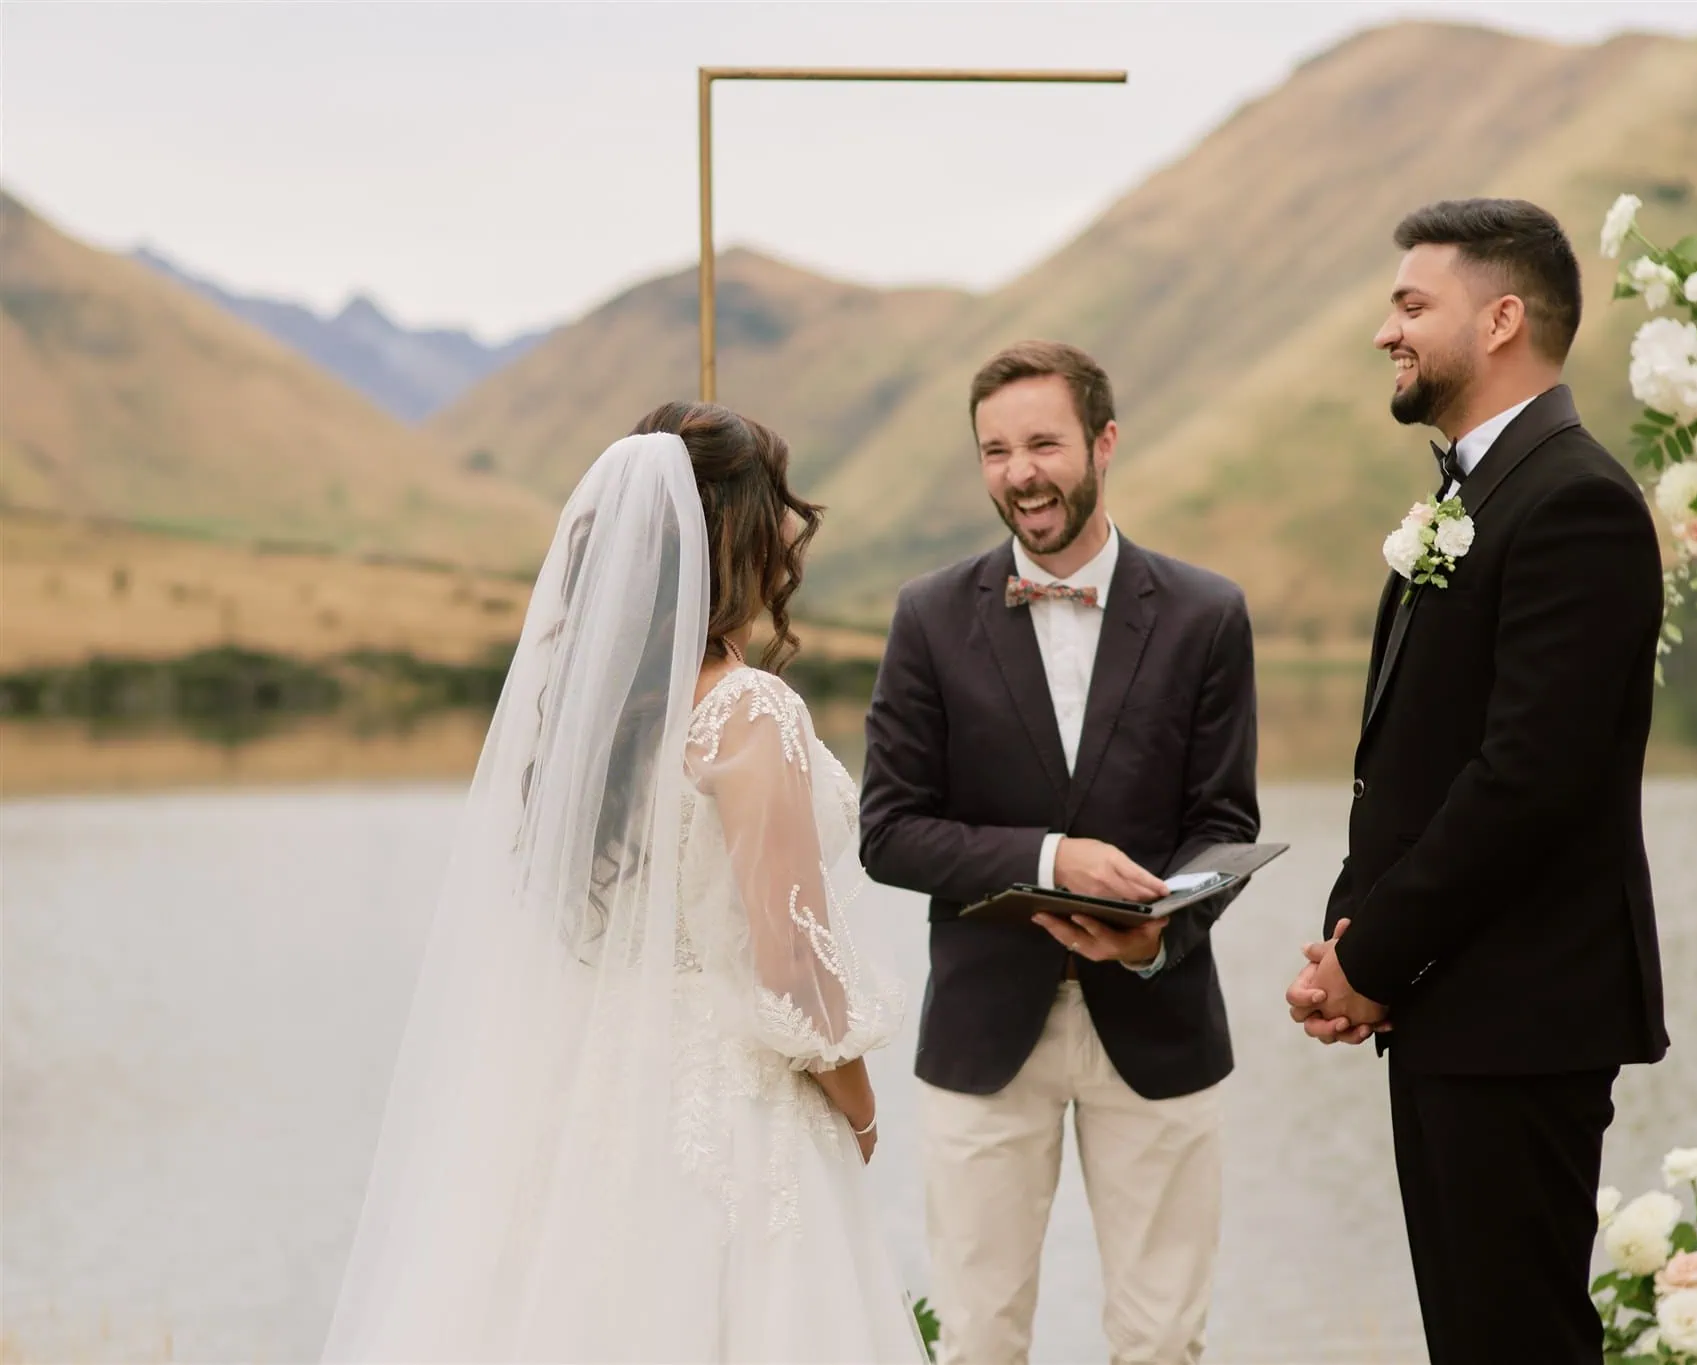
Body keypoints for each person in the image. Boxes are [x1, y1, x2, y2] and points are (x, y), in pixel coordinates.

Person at [323, 403, 924, 1363]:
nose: (784, 539)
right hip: (730, 1113)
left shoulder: (583, 718)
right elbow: (788, 962)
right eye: (773, 513)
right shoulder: (747, 710)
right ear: (735, 533)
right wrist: (859, 1100)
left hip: (591, 1094)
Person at [1286, 199, 1669, 1364]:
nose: (1382, 332)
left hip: (1522, 1012)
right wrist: (1353, 935)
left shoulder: (1574, 503)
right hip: (1451, 1000)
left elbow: (1526, 781)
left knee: (1517, 1340)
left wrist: (1371, 957)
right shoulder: (1473, 495)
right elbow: (1412, 752)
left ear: (1500, 319)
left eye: (1411, 305)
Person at [860, 340, 1259, 1365]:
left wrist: (1152, 939)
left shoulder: (1206, 614)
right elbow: (889, 830)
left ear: (1103, 443)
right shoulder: (927, 617)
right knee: (980, 1338)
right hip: (984, 1036)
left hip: (1159, 1024)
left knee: (1161, 1340)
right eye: (995, 450)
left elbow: (1224, 821)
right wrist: (1049, 859)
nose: (1019, 473)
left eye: (1041, 442)